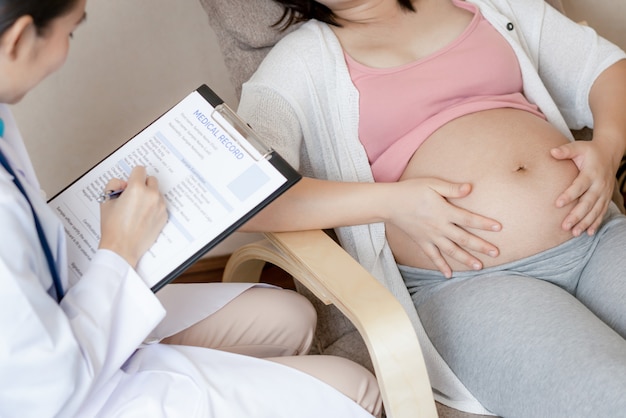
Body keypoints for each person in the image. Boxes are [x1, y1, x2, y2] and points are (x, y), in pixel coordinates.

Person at [235, 0, 626, 416]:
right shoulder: (301, 61)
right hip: (469, 285)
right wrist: (392, 202)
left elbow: (607, 69)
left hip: (596, 236)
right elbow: (246, 195)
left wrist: (607, 146)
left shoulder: (494, 5)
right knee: (610, 395)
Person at [0, 1, 383, 417]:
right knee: (356, 389)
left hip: (65, 312)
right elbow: (49, 387)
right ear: (18, 39)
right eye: (70, 32)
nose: (66, 49)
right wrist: (120, 246)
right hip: (63, 391)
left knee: (291, 315)